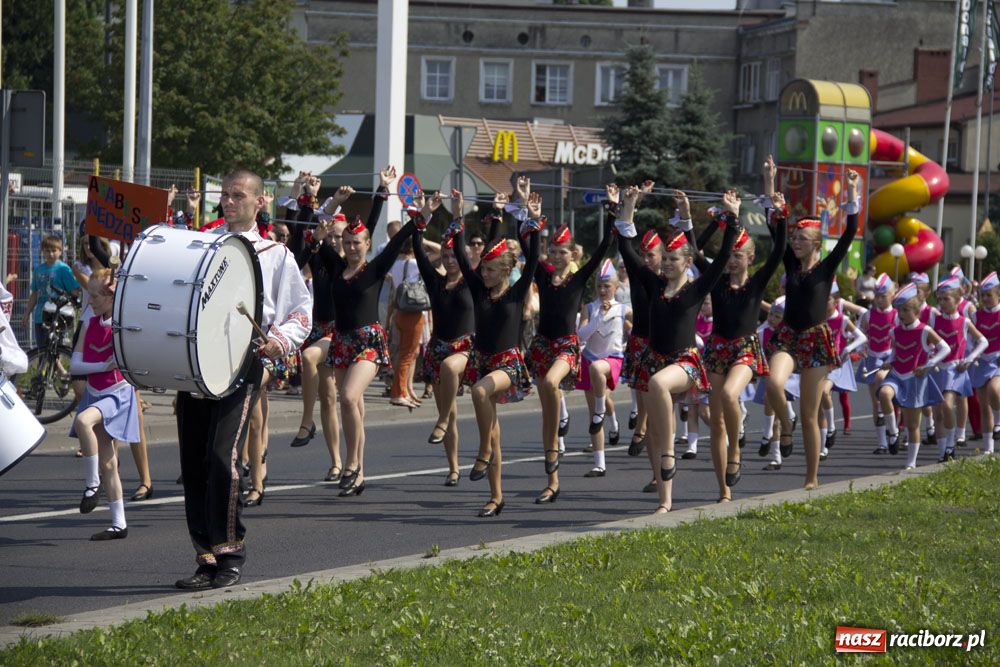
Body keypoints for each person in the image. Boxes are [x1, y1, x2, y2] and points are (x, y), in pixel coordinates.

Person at [174, 169, 311, 590]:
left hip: (241, 364)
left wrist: (280, 341)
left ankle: (231, 552)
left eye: (238, 196)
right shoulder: (202, 244)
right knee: (193, 463)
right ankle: (206, 556)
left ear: (259, 201)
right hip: (196, 364)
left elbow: (301, 313)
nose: (229, 202)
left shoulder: (275, 254)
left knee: (222, 458)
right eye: (225, 196)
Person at [617, 183, 740, 513]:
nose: (667, 264)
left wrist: (733, 216)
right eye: (665, 259)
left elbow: (725, 255)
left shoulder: (697, 288)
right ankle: (665, 501)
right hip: (653, 359)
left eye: (674, 259)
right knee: (655, 432)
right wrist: (628, 206)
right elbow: (627, 250)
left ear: (687, 262)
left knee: (659, 390)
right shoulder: (654, 284)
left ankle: (675, 452)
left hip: (685, 362)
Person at [310, 167, 422, 498]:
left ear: (367, 243)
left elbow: (402, 236)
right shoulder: (335, 264)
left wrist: (401, 202)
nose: (352, 246)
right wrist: (328, 211)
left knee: (347, 397)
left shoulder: (374, 268)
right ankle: (358, 475)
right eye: (346, 241)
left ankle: (353, 464)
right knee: (353, 406)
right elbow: (314, 232)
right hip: (342, 341)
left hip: (368, 341)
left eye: (357, 242)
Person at [691, 159, 787, 501]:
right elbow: (694, 251)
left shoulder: (757, 282)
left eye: (739, 255)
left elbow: (779, 249)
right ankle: (723, 490)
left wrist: (770, 184)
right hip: (717, 349)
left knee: (731, 396)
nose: (732, 259)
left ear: (750, 257)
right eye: (729, 254)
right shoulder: (716, 281)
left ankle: (736, 450)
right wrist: (719, 221)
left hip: (745, 348)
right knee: (714, 421)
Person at [764, 169, 860, 490]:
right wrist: (770, 185)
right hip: (789, 335)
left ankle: (811, 477)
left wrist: (850, 191)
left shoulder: (827, 266)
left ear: (816, 243)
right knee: (774, 382)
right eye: (794, 239)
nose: (795, 242)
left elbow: (850, 232)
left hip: (816, 339)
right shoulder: (791, 264)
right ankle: (785, 426)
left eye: (801, 239)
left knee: (810, 414)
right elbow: (773, 227)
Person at [454, 177, 542, 517]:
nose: (484, 274)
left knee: (478, 393)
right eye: (483, 269)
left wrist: (526, 214)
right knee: (495, 431)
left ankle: (481, 450)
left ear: (505, 270)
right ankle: (495, 496)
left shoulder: (517, 292)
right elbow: (463, 257)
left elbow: (533, 255)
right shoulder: (478, 288)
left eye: (490, 270)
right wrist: (458, 215)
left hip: (508, 363)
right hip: (483, 360)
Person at [527, 204, 614, 504]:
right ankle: (552, 480)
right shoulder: (542, 274)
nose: (555, 256)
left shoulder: (578, 279)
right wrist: (532, 218)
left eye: (562, 252)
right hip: (541, 346)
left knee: (552, 384)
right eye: (552, 251)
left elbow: (603, 249)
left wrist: (614, 215)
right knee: (545, 419)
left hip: (565, 346)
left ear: (573, 255)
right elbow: (528, 247)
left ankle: (561, 420)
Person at [413, 192, 482, 485]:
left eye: (455, 255)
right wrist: (422, 216)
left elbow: (460, 242)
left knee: (452, 369)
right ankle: (453, 468)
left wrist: (457, 214)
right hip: (439, 347)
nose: (450, 259)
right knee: (450, 414)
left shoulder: (471, 279)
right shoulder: (435, 281)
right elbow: (417, 248)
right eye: (445, 256)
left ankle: (443, 422)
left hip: (466, 347)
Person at [69, 269, 138, 540]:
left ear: (111, 297)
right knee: (109, 463)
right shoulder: (89, 322)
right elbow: (75, 364)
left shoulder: (124, 326)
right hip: (96, 391)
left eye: (95, 295)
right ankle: (119, 523)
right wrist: (101, 365)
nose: (90, 301)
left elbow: (125, 362)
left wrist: (102, 367)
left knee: (83, 420)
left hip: (117, 393)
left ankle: (91, 484)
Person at [877, 283, 951, 468]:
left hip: (915, 380)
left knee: (912, 425)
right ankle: (893, 433)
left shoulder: (925, 330)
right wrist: (890, 360)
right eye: (899, 310)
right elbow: (896, 352)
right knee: (884, 394)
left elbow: (945, 348)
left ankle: (911, 462)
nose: (901, 314)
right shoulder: (894, 331)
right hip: (896, 375)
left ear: (917, 311)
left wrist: (928, 365)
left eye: (905, 310)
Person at [576, 259, 631, 476]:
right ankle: (600, 463)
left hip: (613, 359)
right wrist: (596, 318)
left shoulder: (623, 309)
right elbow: (581, 335)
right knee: (596, 410)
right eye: (599, 285)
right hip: (590, 359)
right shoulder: (589, 308)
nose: (602, 290)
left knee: (600, 373)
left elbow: (639, 327)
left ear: (616, 288)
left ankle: (604, 414)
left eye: (607, 285)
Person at [929, 275, 988, 462]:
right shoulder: (935, 322)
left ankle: (951, 445)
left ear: (956, 300)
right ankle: (942, 452)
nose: (942, 302)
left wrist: (969, 360)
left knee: (947, 405)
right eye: (940, 299)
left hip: (955, 370)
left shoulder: (964, 322)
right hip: (938, 370)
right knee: (937, 413)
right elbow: (927, 343)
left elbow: (982, 341)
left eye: (946, 299)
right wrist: (929, 356)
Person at [818, 281, 867, 460]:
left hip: (836, 363)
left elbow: (861, 337)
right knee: (818, 404)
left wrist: (847, 349)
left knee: (824, 393)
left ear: (836, 300)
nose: (824, 303)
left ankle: (831, 427)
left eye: (828, 299)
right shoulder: (817, 317)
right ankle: (823, 445)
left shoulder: (842, 319)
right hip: (819, 363)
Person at [856, 274, 897, 454]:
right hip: (872, 357)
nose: (879, 300)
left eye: (883, 296)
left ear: (892, 295)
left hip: (889, 360)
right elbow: (860, 333)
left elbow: (901, 339)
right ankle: (881, 443)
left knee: (883, 385)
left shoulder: (896, 315)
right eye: (877, 296)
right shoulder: (868, 315)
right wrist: (862, 348)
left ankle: (894, 431)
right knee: (876, 402)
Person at [386, 232, 427, 409]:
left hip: (399, 311)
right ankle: (399, 392)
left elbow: (393, 291)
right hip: (414, 312)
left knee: (403, 354)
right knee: (407, 355)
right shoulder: (416, 264)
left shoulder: (395, 264)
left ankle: (402, 390)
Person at [22, 235, 80, 347]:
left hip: (58, 315)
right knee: (42, 349)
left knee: (55, 349)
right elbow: (34, 293)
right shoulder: (38, 270)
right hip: (41, 316)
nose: (51, 254)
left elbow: (74, 291)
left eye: (54, 250)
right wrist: (27, 313)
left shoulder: (63, 269)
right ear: (42, 251)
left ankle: (58, 364)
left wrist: (69, 307)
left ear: (60, 251)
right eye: (47, 251)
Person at [970, 271, 1000, 453]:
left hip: (998, 360)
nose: (986, 299)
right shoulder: (976, 317)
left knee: (994, 390)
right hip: (982, 362)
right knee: (984, 406)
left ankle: (998, 422)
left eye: (990, 295)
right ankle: (988, 448)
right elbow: (970, 341)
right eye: (983, 295)